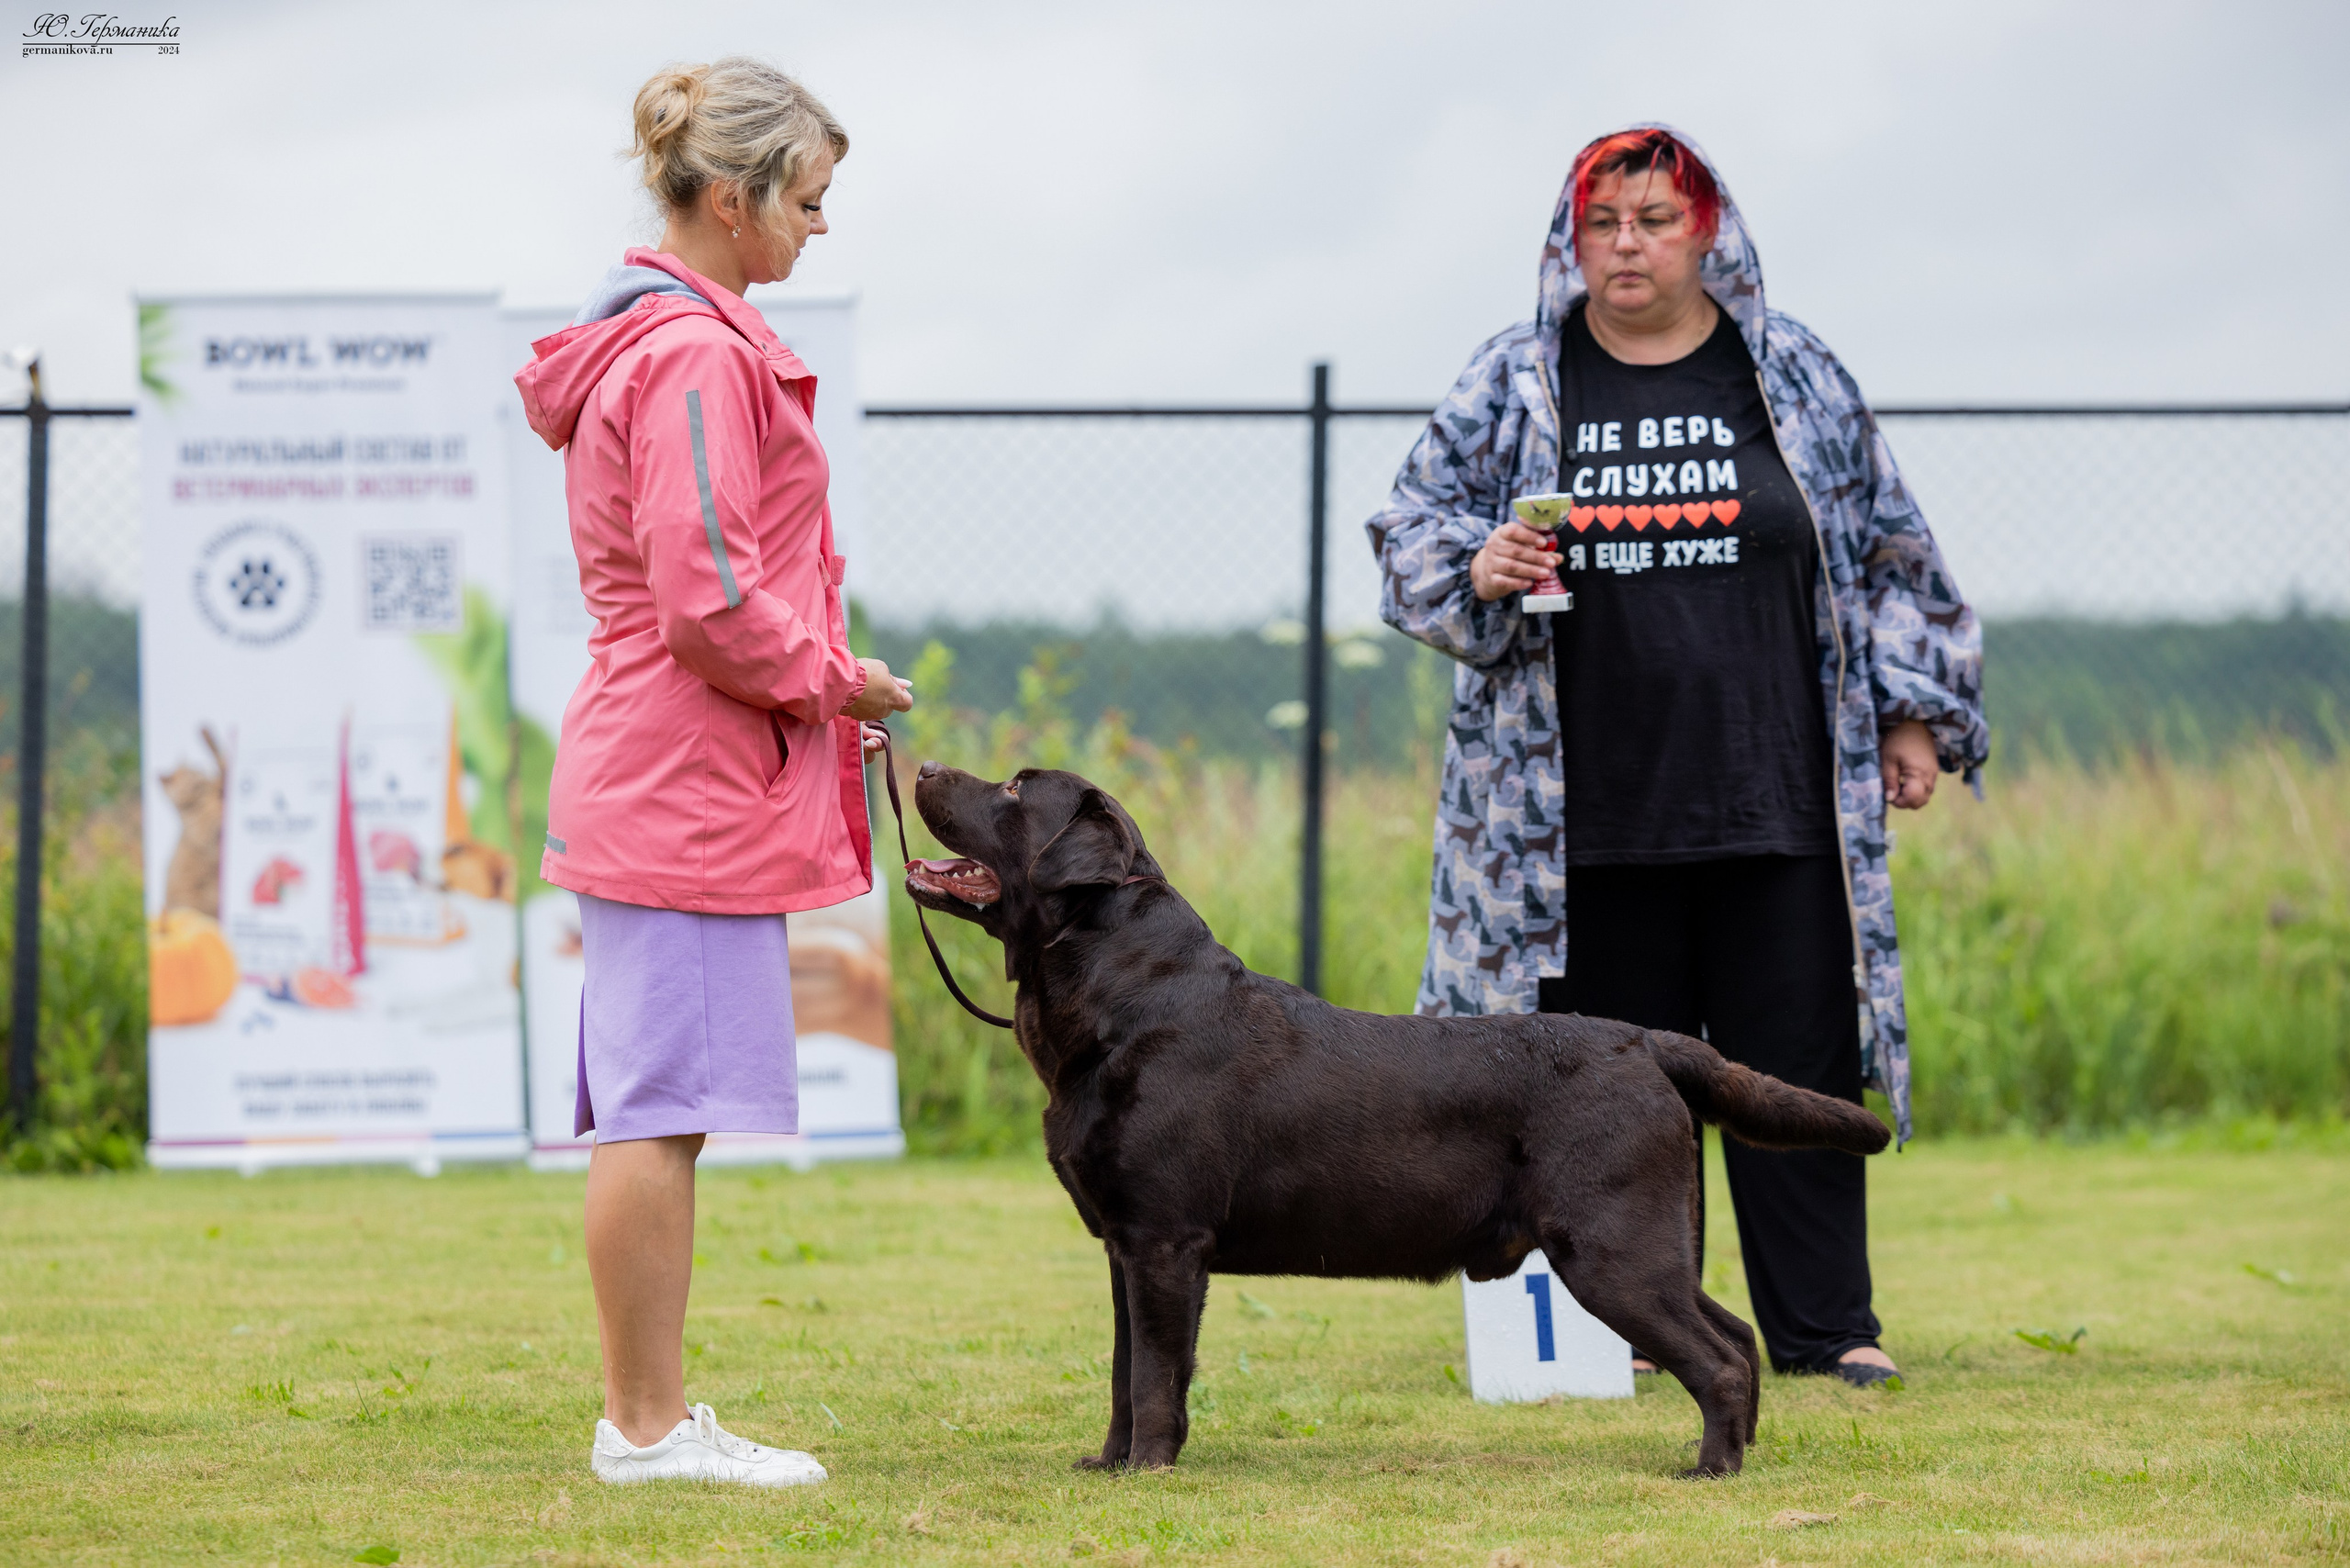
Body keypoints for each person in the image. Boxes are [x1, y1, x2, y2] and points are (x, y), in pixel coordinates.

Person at [1367, 125, 1985, 1388]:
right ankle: (1638, 1335)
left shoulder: (1792, 371)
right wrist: (1479, 563)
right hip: (1572, 821)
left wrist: (1915, 712)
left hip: (1779, 798)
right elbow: (1409, 531)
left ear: (1710, 231)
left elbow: (1888, 549)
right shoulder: (1517, 378)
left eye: (1654, 219)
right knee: (1604, 1094)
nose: (1627, 245)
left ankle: (1828, 1330)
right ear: (1570, 240)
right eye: (1603, 223)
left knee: (1793, 1072)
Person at [515, 57, 912, 1484]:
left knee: (660, 1107)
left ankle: (648, 1419)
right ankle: (643, 1428)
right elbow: (710, 601)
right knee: (658, 1111)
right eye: (807, 199)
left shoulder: (666, 336)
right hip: (679, 785)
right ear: (732, 200)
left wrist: (816, 680)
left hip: (671, 771)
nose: (820, 224)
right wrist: (836, 680)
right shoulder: (690, 354)